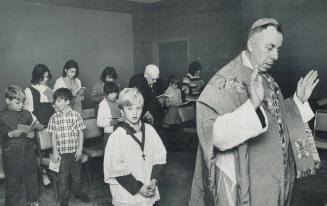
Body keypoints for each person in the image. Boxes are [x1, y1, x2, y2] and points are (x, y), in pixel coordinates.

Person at [190, 18, 320, 206]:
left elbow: (278, 118)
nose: (276, 56)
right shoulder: (226, 79)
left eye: (279, 49)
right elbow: (213, 136)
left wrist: (298, 101)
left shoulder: (267, 79)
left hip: (274, 175)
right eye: (270, 47)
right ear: (251, 44)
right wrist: (252, 106)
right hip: (248, 182)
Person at [103, 88, 167, 206]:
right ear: (122, 110)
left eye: (138, 108)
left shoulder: (150, 130)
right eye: (129, 108)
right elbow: (115, 168)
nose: (134, 113)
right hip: (128, 191)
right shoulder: (117, 136)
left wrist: (154, 179)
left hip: (148, 185)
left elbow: (159, 156)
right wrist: (139, 188)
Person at [47, 88, 89, 206]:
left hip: (75, 152)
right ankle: (64, 198)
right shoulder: (54, 118)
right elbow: (53, 136)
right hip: (61, 154)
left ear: (67, 101)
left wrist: (80, 149)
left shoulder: (76, 116)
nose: (56, 103)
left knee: (76, 175)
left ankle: (78, 192)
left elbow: (81, 133)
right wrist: (55, 152)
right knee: (63, 177)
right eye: (56, 100)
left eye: (60, 100)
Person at [0, 85, 40, 206]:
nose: (21, 105)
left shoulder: (27, 114)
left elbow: (33, 131)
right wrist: (10, 134)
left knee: (32, 179)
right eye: (17, 103)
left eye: (22, 102)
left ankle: (33, 202)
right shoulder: (2, 116)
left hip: (28, 152)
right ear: (8, 101)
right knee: (12, 182)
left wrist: (32, 135)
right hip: (11, 153)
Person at [96, 81, 122, 148]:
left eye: (116, 92)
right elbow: (99, 123)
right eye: (111, 93)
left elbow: (121, 114)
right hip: (110, 133)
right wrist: (110, 123)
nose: (114, 95)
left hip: (120, 131)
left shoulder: (117, 101)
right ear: (106, 93)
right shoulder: (103, 104)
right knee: (110, 154)